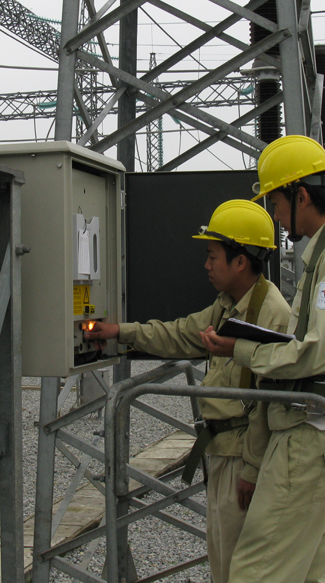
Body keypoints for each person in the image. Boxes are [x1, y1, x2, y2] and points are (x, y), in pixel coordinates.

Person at [201, 135, 325, 583]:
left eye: (277, 203)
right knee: (307, 572)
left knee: (256, 571)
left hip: (308, 434)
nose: (276, 216)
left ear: (301, 196)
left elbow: (319, 352)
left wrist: (242, 349)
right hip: (311, 428)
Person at [85, 199, 291, 583]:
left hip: (243, 460)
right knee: (224, 564)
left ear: (240, 261)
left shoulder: (270, 313)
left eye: (212, 256)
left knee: (241, 570)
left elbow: (271, 400)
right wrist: (120, 332)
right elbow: (180, 334)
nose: (206, 265)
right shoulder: (227, 306)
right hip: (222, 454)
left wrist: (252, 468)